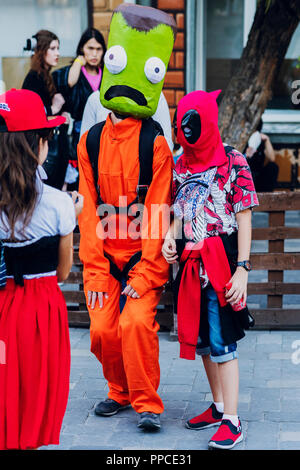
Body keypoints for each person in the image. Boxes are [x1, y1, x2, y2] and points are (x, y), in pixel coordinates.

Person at [77, 4, 177, 431]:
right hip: (104, 261)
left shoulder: (155, 144)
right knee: (102, 330)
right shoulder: (91, 141)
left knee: (136, 323)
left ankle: (146, 403)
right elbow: (86, 212)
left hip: (142, 261)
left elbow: (158, 212)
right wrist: (97, 273)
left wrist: (145, 275)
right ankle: (117, 390)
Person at [162, 90, 259, 449]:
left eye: (193, 123)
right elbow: (179, 210)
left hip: (221, 261)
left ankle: (233, 422)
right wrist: (170, 238)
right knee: (203, 340)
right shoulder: (180, 163)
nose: (186, 132)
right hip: (190, 264)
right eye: (182, 124)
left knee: (223, 342)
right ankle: (218, 407)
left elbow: (245, 216)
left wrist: (243, 269)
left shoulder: (233, 161)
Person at [0, 88, 83, 450]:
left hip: (4, 308)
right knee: (37, 389)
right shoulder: (58, 205)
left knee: (5, 386)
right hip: (41, 311)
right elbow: (62, 273)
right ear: (38, 145)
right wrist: (74, 216)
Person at [53, 28, 107, 190]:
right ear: (82, 49)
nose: (94, 54)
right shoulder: (75, 72)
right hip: (76, 136)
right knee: (77, 183)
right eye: (90, 48)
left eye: (98, 49)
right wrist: (78, 62)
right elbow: (69, 83)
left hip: (104, 135)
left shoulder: (107, 75)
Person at [22, 30, 69, 190]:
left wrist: (60, 113)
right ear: (41, 51)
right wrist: (52, 108)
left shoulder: (45, 75)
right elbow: (26, 113)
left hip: (52, 147)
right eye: (53, 48)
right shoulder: (33, 78)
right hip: (45, 149)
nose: (58, 53)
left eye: (58, 48)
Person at [80, 90, 174, 153]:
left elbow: (166, 145)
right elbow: (84, 147)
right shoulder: (96, 98)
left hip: (143, 177)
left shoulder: (155, 97)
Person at [245, 119, 279, 192]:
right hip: (244, 176)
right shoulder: (242, 140)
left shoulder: (258, 140)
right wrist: (247, 154)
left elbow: (272, 158)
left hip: (258, 177)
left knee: (273, 167)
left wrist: (267, 140)